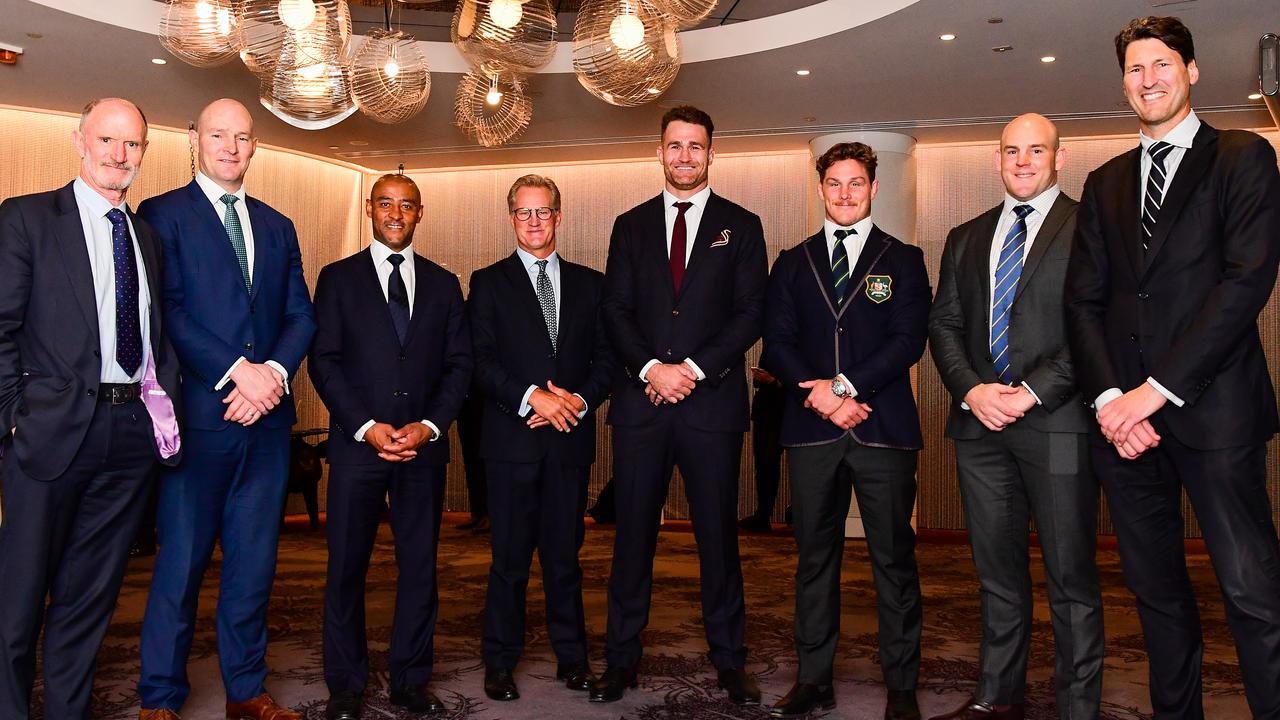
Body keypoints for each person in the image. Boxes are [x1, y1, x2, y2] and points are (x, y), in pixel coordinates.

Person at [1065, 16, 1280, 720]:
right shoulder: (1104, 183)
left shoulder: (1242, 156)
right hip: (1124, 432)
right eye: (1134, 69)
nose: (1147, 79)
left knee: (1252, 593)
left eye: (1161, 65)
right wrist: (1108, 401)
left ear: (1190, 71)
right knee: (1155, 598)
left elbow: (1245, 284)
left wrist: (1150, 395)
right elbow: (1084, 303)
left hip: (1214, 415)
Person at [0, 97, 181, 720]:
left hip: (129, 434)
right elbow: (0, 327)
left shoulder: (147, 237)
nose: (118, 155)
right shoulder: (27, 219)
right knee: (20, 600)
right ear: (79, 142)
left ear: (143, 153)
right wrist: (12, 419)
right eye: (106, 140)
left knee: (89, 600)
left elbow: (157, 340)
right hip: (48, 435)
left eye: (132, 145)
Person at [136, 98, 317, 720]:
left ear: (255, 145)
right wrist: (238, 371)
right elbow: (170, 312)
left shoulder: (278, 224)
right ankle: (160, 697)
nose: (231, 147)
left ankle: (246, 691)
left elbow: (300, 315)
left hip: (266, 427)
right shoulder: (160, 215)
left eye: (242, 137)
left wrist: (272, 374)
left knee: (253, 568)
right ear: (194, 140)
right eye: (219, 135)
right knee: (180, 567)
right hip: (199, 423)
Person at [928, 114, 1101, 720]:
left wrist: (1030, 393)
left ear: (1060, 156)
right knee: (996, 573)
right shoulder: (965, 236)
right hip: (979, 429)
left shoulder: (1089, 228)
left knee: (1070, 577)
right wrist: (973, 391)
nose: (1023, 160)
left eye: (1036, 150)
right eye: (1011, 150)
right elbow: (945, 326)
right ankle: (997, 697)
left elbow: (1093, 327)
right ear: (996, 159)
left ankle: (1078, 707)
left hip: (1055, 424)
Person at [593, 105, 768, 705]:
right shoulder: (630, 225)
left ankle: (730, 660)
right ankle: (620, 661)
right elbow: (614, 309)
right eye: (675, 145)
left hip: (710, 406)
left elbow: (751, 314)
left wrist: (689, 370)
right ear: (660, 152)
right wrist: (650, 369)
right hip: (642, 405)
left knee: (718, 539)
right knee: (631, 538)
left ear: (711, 152)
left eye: (696, 146)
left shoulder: (741, 225)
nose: (685, 155)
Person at [761, 142, 930, 720]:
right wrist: (824, 400)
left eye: (855, 183)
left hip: (883, 431)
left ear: (874, 188)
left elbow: (908, 341)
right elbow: (776, 345)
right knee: (814, 560)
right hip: (811, 434)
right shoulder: (792, 261)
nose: (845, 194)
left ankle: (902, 686)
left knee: (893, 559)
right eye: (834, 183)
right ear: (820, 189)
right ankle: (813, 679)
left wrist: (845, 389)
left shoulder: (903, 259)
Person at [309, 173, 471, 719]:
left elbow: (459, 367)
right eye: (385, 204)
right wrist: (364, 426)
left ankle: (410, 681)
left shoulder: (446, 284)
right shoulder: (337, 279)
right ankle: (346, 688)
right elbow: (323, 361)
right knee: (345, 570)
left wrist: (429, 425)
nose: (395, 213)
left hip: (423, 451)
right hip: (358, 450)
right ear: (372, 212)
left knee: (420, 569)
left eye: (406, 205)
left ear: (420, 213)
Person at [467, 174, 615, 703]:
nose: (534, 221)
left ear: (558, 215)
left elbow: (607, 360)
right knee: (507, 562)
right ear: (512, 218)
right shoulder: (487, 282)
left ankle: (572, 659)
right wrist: (534, 398)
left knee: (564, 560)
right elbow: (480, 363)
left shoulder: (591, 284)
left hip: (568, 442)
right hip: (510, 444)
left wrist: (573, 401)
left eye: (544, 211)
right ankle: (499, 663)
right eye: (525, 213)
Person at [739, 365, 786, 532]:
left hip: (787, 411)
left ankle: (798, 514)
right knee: (763, 465)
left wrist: (774, 381)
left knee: (773, 461)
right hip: (764, 410)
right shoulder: (769, 344)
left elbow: (800, 381)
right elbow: (758, 384)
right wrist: (760, 377)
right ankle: (763, 515)